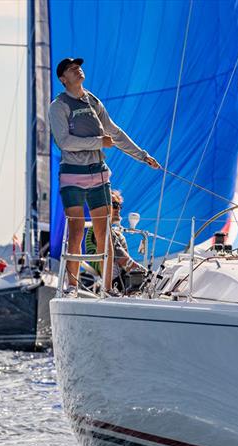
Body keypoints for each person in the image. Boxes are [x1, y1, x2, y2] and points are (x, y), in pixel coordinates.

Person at [48, 57, 159, 294]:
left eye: (78, 66)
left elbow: (115, 133)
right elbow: (64, 142)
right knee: (77, 231)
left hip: (99, 175)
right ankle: (72, 286)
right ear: (63, 79)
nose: (78, 69)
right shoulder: (58, 106)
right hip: (72, 177)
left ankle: (107, 288)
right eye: (71, 68)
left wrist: (142, 156)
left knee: (104, 232)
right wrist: (99, 142)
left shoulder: (93, 101)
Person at [85, 190, 145, 292]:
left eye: (119, 206)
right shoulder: (102, 230)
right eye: (114, 205)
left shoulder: (108, 231)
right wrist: (149, 275)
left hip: (118, 283)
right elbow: (125, 261)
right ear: (103, 207)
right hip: (115, 285)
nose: (118, 209)